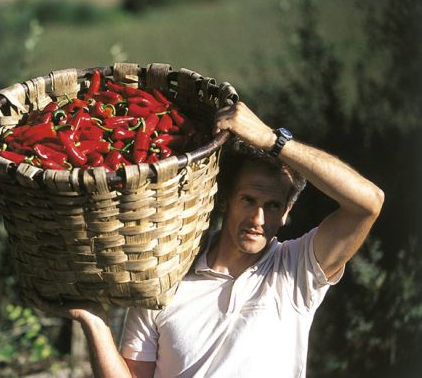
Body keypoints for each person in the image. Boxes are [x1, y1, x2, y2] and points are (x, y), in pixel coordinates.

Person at [28, 101, 384, 377]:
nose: (258, 219)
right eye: (248, 200)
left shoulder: (297, 271)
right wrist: (94, 320)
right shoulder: (166, 275)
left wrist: (272, 140)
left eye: (273, 206)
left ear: (287, 213)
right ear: (226, 199)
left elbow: (368, 203)